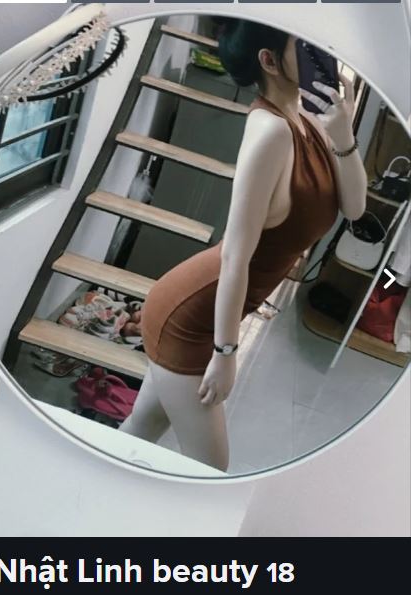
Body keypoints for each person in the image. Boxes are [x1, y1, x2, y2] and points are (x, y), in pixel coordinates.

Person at [119, 19, 367, 471]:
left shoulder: (309, 120)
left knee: (141, 428)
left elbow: (354, 208)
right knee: (210, 472)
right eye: (304, 46)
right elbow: (236, 255)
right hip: (191, 319)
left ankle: (84, 494)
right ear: (269, 61)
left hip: (202, 305)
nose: (321, 53)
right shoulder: (271, 133)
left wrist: (345, 136)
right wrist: (226, 353)